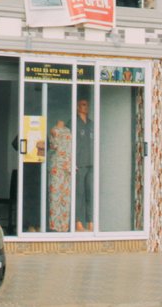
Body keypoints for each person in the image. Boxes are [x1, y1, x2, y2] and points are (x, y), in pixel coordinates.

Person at [74, 96, 94, 231]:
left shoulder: (91, 124)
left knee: (90, 193)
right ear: (77, 107)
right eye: (83, 104)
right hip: (79, 164)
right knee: (79, 194)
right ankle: (78, 221)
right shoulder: (74, 123)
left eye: (87, 105)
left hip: (91, 164)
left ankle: (90, 221)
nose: (85, 107)